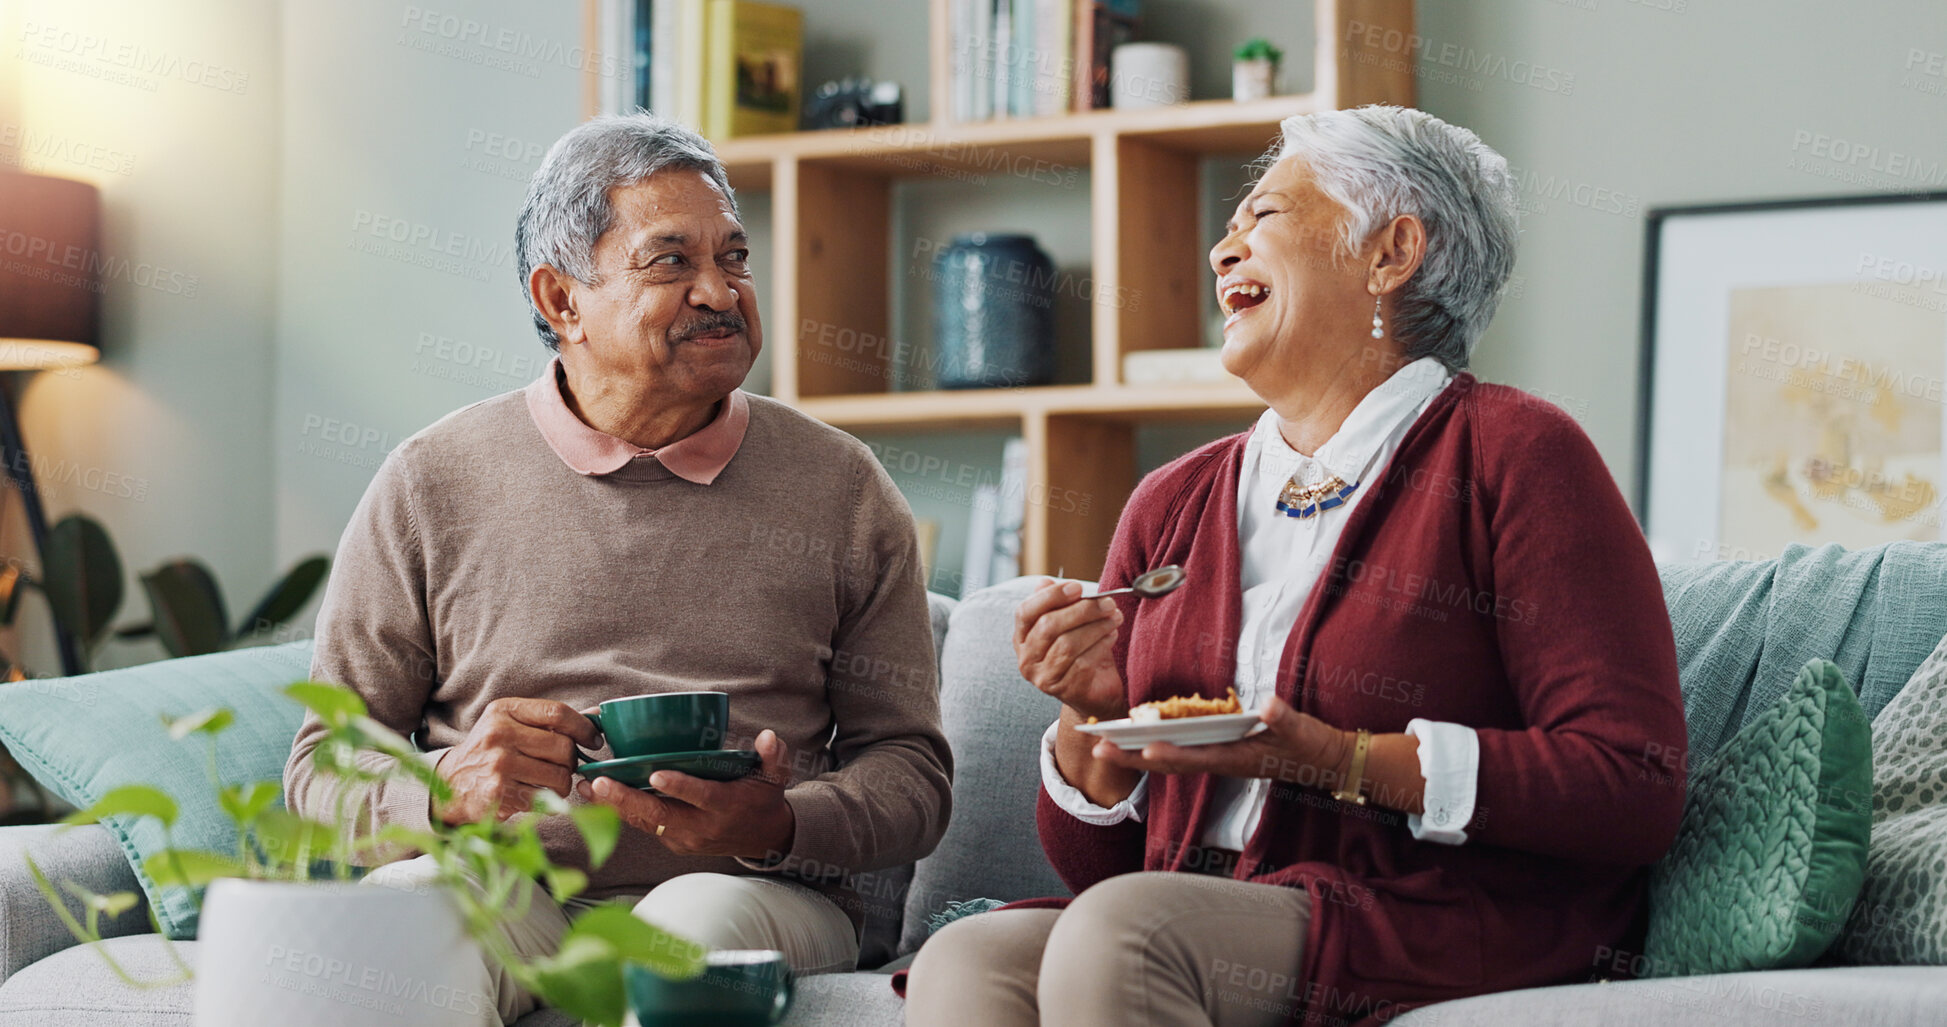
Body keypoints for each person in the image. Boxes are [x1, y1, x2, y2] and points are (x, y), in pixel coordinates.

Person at [904, 105, 1690, 1027]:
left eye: (1263, 216)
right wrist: (1090, 715)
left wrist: (1335, 760)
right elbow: (1104, 873)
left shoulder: (1517, 454)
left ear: (1390, 253)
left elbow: (1631, 786)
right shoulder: (1172, 502)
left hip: (1434, 917)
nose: (1220, 250)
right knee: (968, 957)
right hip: (1200, 911)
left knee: (1127, 930)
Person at [283, 112, 952, 1026]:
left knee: (683, 930)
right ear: (562, 300)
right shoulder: (429, 480)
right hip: (510, 882)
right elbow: (323, 767)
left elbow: (911, 770)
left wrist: (782, 824)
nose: (720, 290)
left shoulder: (841, 485)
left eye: (735, 257)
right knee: (407, 922)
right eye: (671, 261)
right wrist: (442, 796)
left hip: (749, 892)